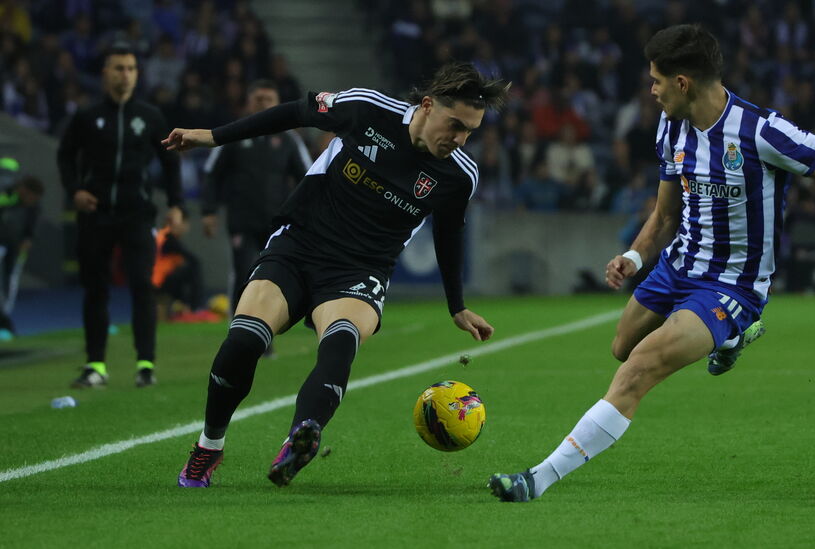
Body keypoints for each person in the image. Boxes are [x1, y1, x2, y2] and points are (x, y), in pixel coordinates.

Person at [489, 24, 815, 502]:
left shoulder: (761, 130)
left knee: (638, 369)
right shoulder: (672, 126)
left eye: (655, 80)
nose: (651, 91)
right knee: (622, 347)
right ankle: (731, 337)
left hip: (732, 285)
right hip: (676, 266)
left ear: (682, 82)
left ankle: (537, 479)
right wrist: (634, 256)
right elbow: (666, 212)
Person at [165, 62, 509, 488]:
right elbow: (294, 112)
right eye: (455, 124)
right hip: (299, 245)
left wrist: (456, 305)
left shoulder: (459, 175)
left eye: (469, 131)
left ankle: (301, 436)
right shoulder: (367, 110)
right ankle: (208, 448)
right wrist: (212, 136)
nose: (459, 139)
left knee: (341, 340)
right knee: (244, 339)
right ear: (426, 105)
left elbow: (449, 235)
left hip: (361, 270)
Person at [57, 43, 184, 389]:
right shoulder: (87, 117)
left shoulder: (151, 117)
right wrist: (74, 191)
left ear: (137, 74)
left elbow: (171, 163)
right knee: (95, 289)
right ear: (105, 74)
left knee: (143, 286)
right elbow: (65, 156)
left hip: (137, 215)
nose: (124, 75)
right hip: (95, 215)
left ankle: (145, 365)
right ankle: (95, 365)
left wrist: (176, 205)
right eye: (118, 68)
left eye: (130, 68)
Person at [200, 79, 312, 350]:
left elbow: (308, 177)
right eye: (258, 99)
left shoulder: (288, 139)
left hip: (278, 222)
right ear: (248, 103)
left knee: (273, 278)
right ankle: (238, 334)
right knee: (242, 273)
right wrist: (209, 211)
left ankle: (264, 335)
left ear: (277, 104)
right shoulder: (235, 135)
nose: (263, 104)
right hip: (242, 219)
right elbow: (212, 174)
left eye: (269, 100)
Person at [0, 161, 43, 341]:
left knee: (10, 283)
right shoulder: (5, 196)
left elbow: (29, 229)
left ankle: (4, 320)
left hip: (14, 248)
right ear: (24, 190)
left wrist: (27, 240)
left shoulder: (33, 206)